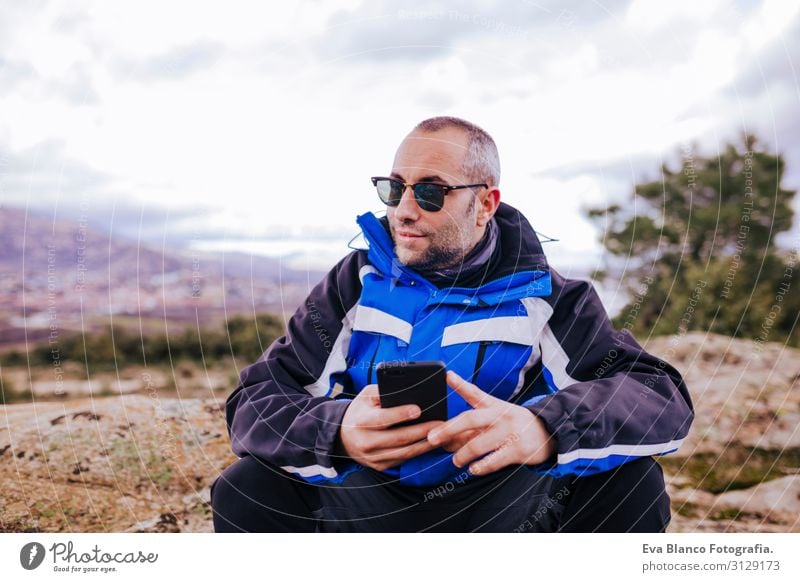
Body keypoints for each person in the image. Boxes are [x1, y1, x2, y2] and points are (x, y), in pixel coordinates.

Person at [210, 116, 694, 533]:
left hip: (503, 508)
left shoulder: (552, 297)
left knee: (632, 485)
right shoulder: (353, 284)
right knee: (247, 489)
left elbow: (658, 395)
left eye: (430, 191)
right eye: (394, 187)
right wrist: (338, 430)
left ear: (484, 203)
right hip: (368, 501)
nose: (402, 208)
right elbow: (255, 399)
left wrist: (543, 426)